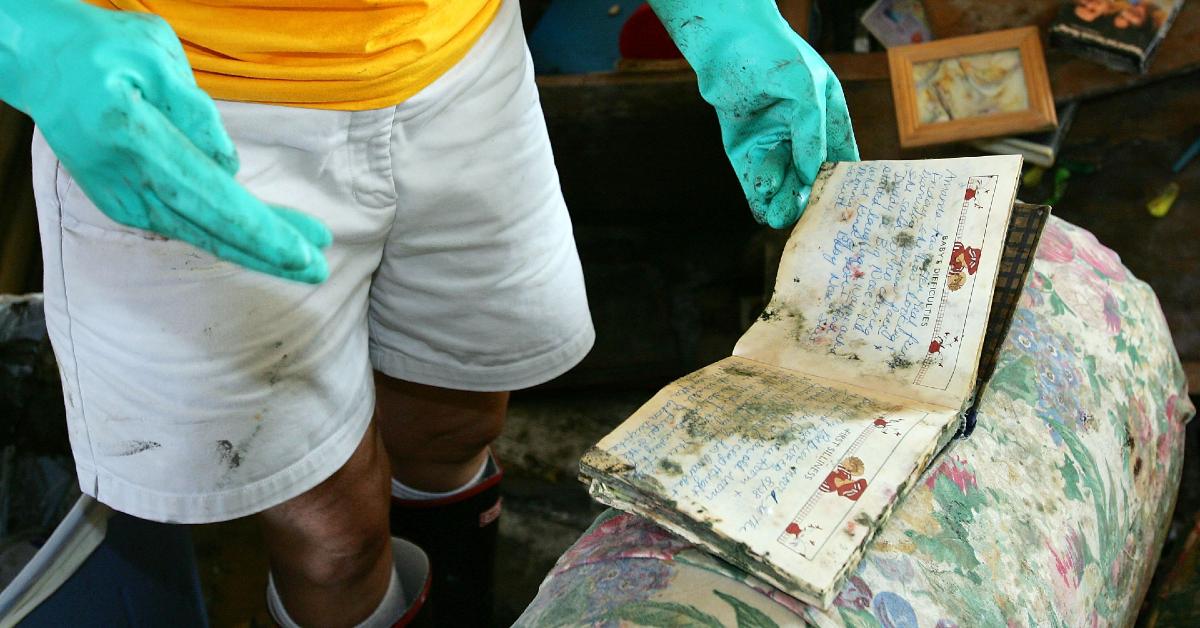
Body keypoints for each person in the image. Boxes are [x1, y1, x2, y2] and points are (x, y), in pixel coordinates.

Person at [0, 0, 857, 625]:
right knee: (330, 541)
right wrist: (25, 28)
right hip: (186, 95)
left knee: (457, 422)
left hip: (461, 56)